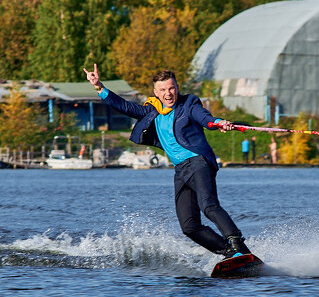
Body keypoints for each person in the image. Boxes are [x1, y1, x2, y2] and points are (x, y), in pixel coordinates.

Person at [83, 64, 251, 258]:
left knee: (209, 206)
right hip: (181, 170)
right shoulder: (152, 110)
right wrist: (99, 87)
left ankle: (237, 244)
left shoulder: (189, 104)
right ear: (156, 92)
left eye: (171, 88)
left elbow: (204, 117)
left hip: (198, 162)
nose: (168, 93)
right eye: (163, 90)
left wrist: (218, 122)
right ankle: (229, 253)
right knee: (189, 226)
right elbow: (125, 106)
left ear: (177, 88)